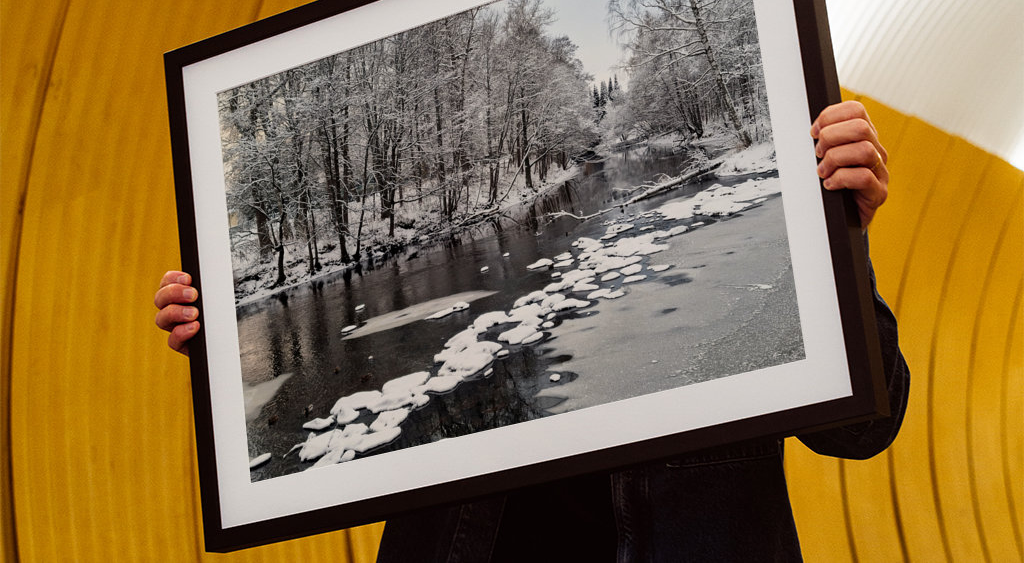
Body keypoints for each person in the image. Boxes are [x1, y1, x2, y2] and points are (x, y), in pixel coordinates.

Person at [155, 101, 908, 562]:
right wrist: (232, 354)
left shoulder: (753, 261)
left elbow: (865, 429)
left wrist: (838, 238)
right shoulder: (482, 354)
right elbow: (348, 410)